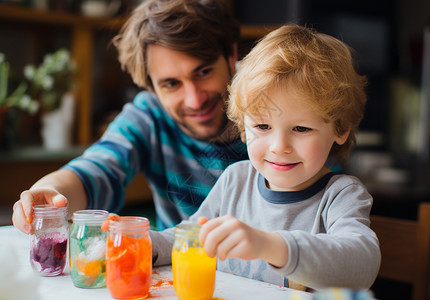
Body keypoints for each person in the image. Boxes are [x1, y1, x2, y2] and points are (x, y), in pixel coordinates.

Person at [148, 24, 381, 291]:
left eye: (301, 128)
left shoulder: (340, 196)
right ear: (243, 127)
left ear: (340, 129)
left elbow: (363, 265)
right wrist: (146, 243)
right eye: (262, 126)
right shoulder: (235, 180)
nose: (279, 146)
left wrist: (271, 246)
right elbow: (191, 237)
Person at [12, 0, 248, 233]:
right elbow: (98, 167)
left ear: (231, 55)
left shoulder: (272, 99)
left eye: (204, 72)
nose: (194, 99)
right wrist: (49, 193)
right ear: (151, 87)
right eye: (171, 84)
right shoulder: (149, 115)